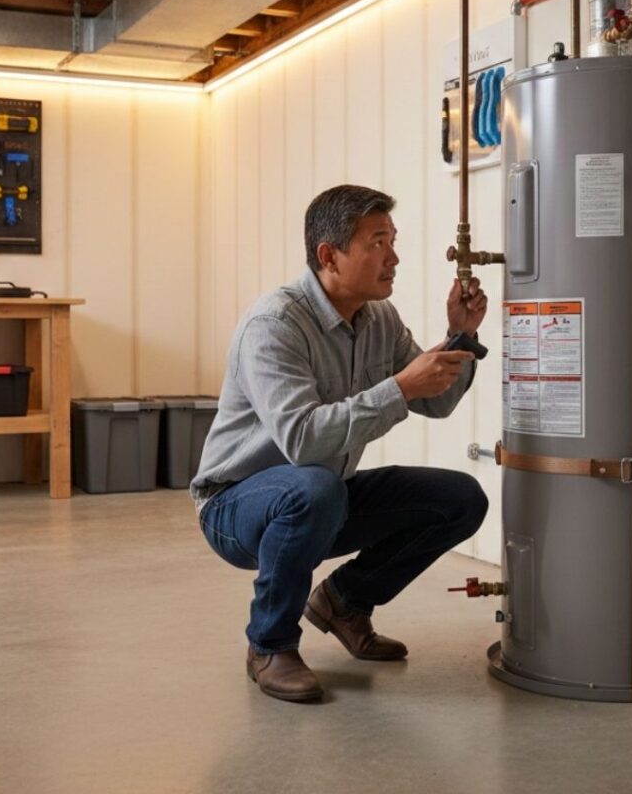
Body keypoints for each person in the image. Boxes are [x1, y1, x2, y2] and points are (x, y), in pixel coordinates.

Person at [190, 184, 489, 703]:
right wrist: (398, 387)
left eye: (393, 240)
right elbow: (303, 440)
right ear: (329, 255)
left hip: (322, 494)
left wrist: (459, 336)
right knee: (314, 486)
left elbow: (435, 402)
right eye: (378, 242)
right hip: (236, 506)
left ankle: (344, 602)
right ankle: (270, 645)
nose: (393, 257)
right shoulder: (275, 325)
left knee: (459, 499)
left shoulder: (380, 319)